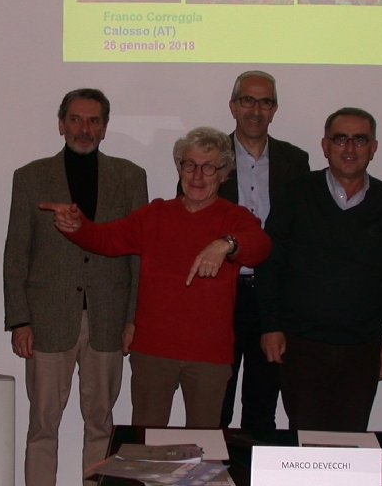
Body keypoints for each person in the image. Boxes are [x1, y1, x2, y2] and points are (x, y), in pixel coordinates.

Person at [41, 127, 271, 430]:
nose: (198, 175)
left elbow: (260, 246)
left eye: (209, 167)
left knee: (205, 451)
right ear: (179, 169)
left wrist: (226, 244)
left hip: (209, 356)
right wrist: (77, 226)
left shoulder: (235, 218)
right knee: (146, 448)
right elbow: (106, 239)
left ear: (224, 174)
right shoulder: (156, 214)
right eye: (189, 165)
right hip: (153, 352)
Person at [3, 88, 147, 486]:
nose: (85, 129)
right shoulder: (31, 177)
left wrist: (132, 317)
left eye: (94, 120)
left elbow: (137, 254)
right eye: (76, 119)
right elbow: (15, 253)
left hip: (107, 316)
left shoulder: (130, 176)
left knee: (100, 419)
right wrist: (18, 319)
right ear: (61, 122)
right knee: (43, 419)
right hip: (47, 318)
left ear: (105, 125)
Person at [256, 107, 382, 432]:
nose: (350, 148)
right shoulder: (296, 194)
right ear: (325, 146)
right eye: (341, 139)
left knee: (351, 443)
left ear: (373, 148)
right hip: (300, 346)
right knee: (306, 438)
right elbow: (271, 264)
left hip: (363, 349)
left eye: (360, 140)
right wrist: (269, 325)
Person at [211, 71, 309, 430]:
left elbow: (302, 233)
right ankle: (215, 483)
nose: (255, 109)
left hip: (274, 297)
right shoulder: (208, 157)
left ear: (274, 109)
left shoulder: (295, 161)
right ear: (233, 107)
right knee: (216, 402)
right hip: (223, 293)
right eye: (247, 100)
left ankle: (254, 483)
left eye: (264, 101)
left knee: (263, 402)